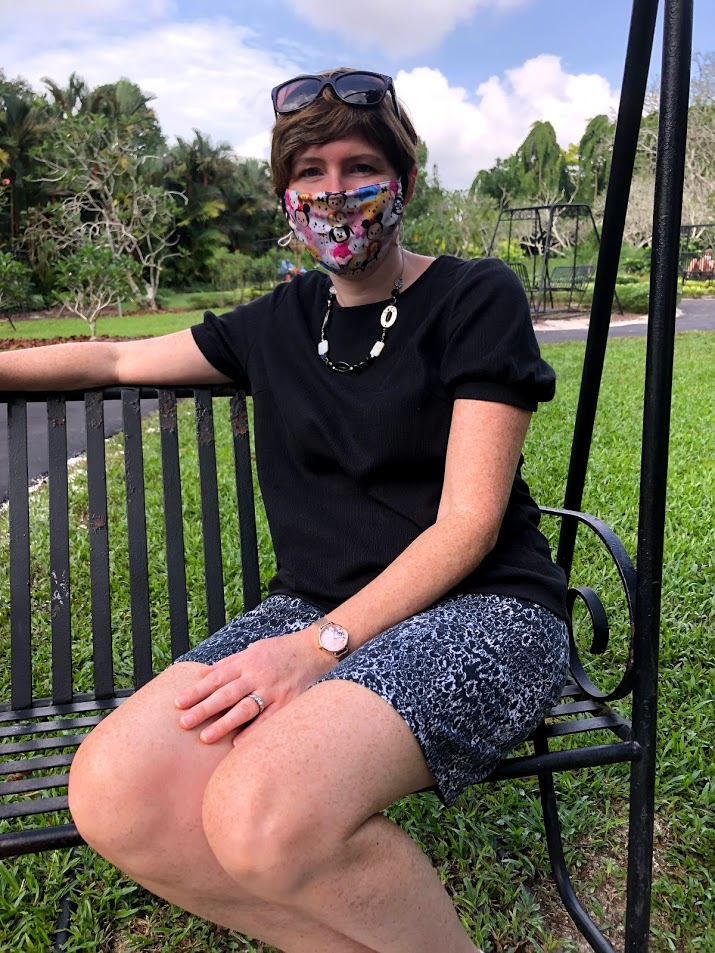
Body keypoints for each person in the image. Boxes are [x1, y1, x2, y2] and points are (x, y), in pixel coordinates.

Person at [1, 68, 570, 953]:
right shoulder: (275, 322)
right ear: (284, 197)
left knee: (261, 809)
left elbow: (468, 524)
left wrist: (315, 649)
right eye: (310, 173)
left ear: (404, 180)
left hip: (485, 608)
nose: (334, 195)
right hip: (313, 607)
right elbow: (112, 360)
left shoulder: (474, 296)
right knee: (114, 789)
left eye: (359, 168)